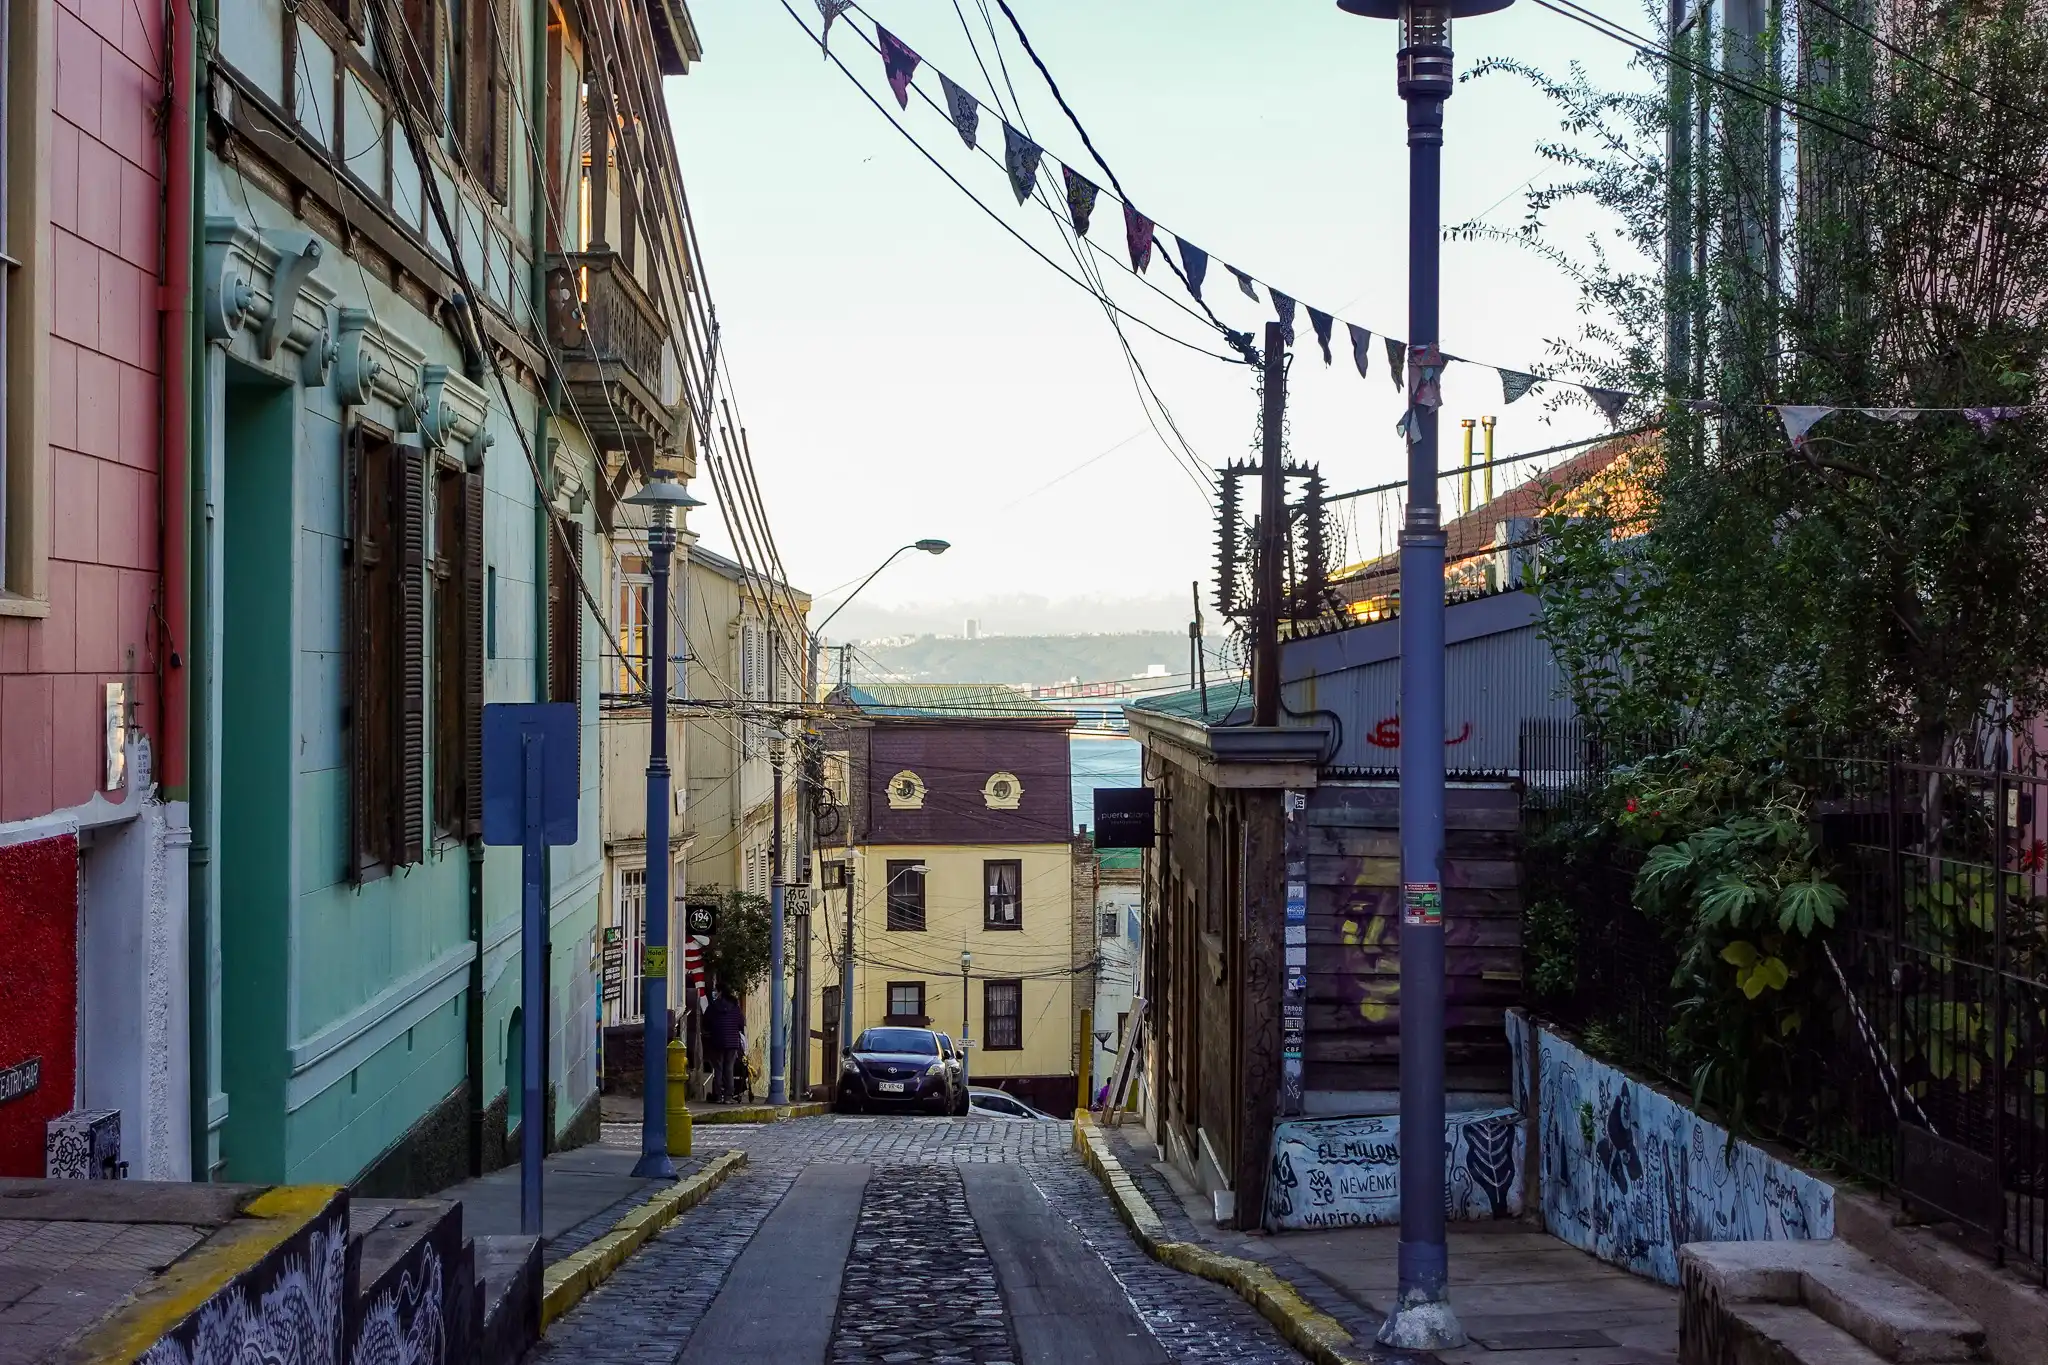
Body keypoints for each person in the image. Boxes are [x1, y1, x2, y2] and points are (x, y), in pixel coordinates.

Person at [705, 986, 745, 1102]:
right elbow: (741, 1024)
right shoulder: (735, 1007)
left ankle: (717, 1095)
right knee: (729, 1068)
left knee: (718, 1068)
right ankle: (728, 1096)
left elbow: (706, 1022)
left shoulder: (713, 1006)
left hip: (717, 1040)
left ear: (720, 993)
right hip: (732, 1042)